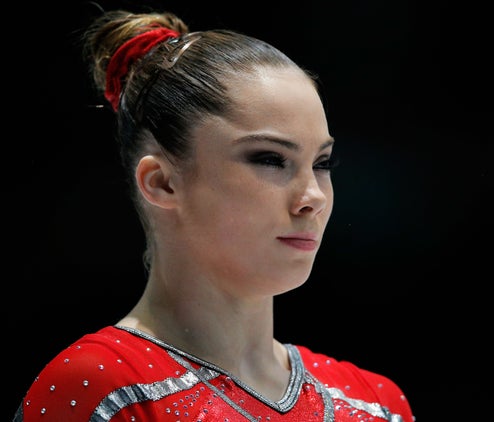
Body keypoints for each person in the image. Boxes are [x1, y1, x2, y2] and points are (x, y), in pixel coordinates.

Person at [13, 7, 414, 422]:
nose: (312, 196)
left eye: (322, 163)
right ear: (162, 182)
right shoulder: (102, 388)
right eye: (270, 160)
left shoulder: (376, 403)